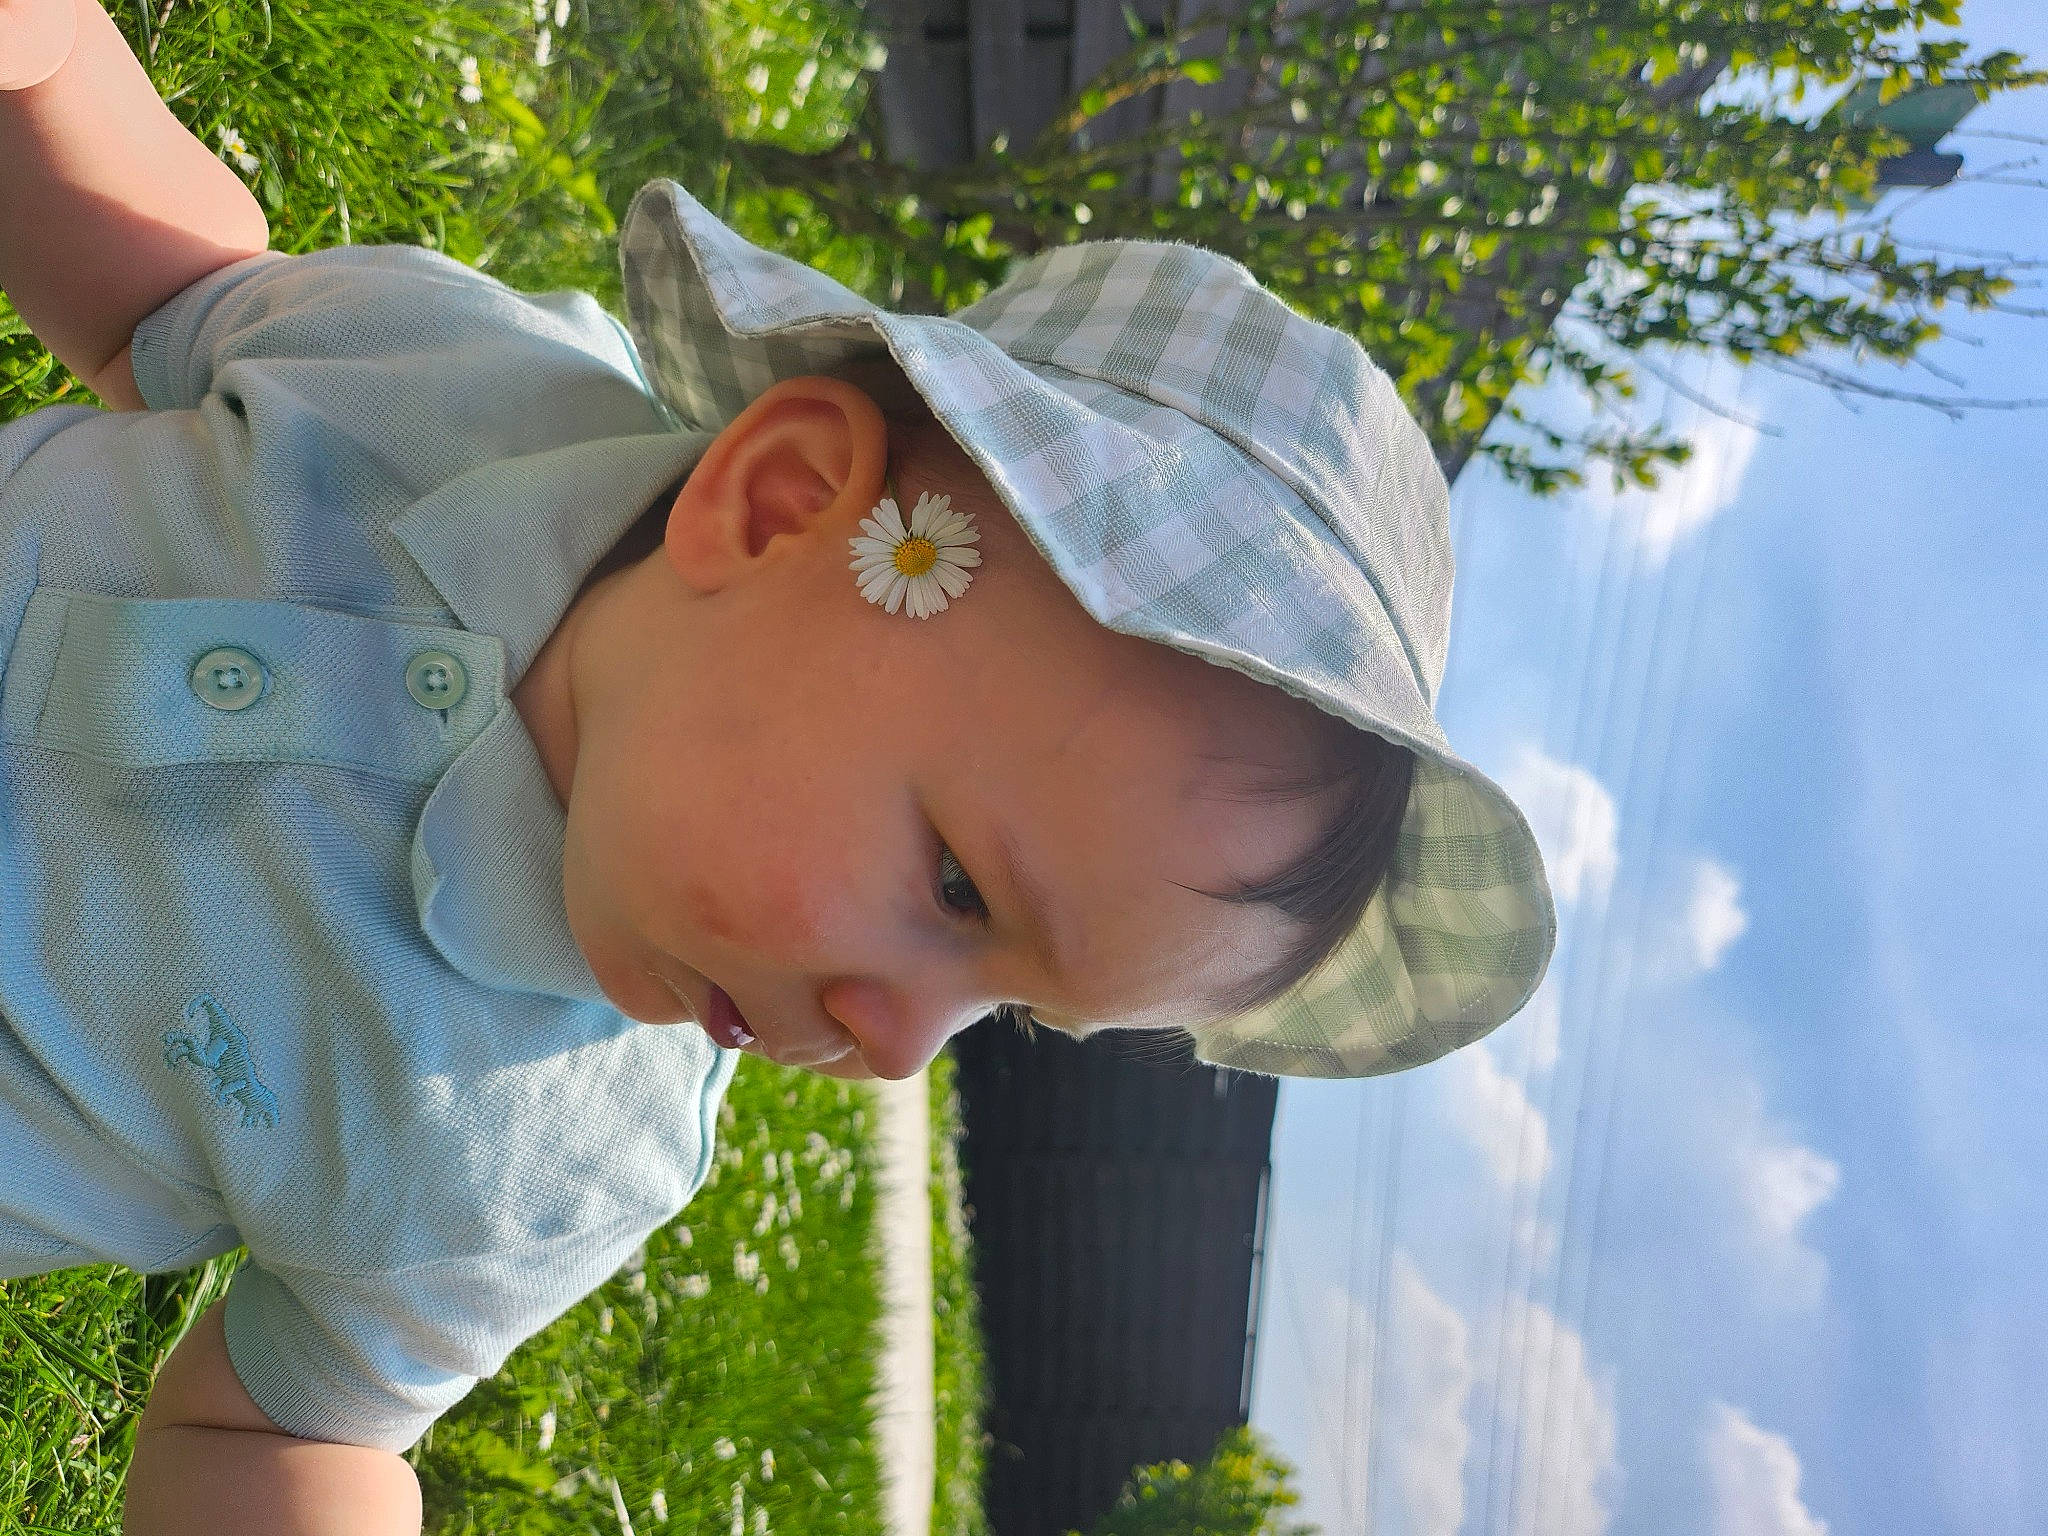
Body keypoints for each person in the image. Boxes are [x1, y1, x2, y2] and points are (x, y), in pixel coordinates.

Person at [0, 0, 1557, 1529]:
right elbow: (176, 286)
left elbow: (278, 1433)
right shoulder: (469, 389)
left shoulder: (545, 1162)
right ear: (779, 502)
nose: (897, 1052)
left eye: (1001, 1007)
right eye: (957, 888)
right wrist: (51, 62)